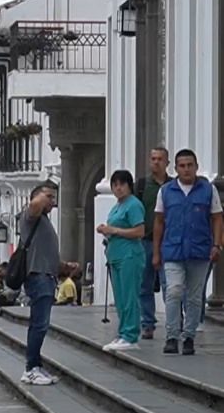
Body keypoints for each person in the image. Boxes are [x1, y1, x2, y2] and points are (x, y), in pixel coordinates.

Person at [152, 149, 223, 356]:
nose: (186, 169)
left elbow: (217, 218)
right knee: (173, 291)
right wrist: (156, 252)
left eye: (190, 165)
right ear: (176, 169)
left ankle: (189, 336)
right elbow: (158, 221)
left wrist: (217, 244)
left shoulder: (208, 190)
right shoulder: (165, 191)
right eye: (182, 166)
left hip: (200, 251)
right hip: (173, 250)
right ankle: (172, 335)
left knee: (194, 298)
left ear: (196, 166)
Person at [96, 170, 145, 350]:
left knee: (129, 295)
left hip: (129, 255)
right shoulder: (117, 206)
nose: (118, 188)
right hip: (116, 256)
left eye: (122, 184)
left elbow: (139, 231)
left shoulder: (133, 205)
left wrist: (114, 231)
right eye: (115, 184)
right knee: (120, 297)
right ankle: (123, 332)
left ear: (129, 186)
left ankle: (131, 335)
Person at [18, 184, 61, 385]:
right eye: (49, 197)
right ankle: (31, 368)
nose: (53, 202)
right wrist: (43, 195)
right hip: (38, 276)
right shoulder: (30, 216)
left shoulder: (43, 221)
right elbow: (35, 204)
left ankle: (36, 365)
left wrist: (64, 266)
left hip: (47, 276)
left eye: (54, 198)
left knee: (41, 324)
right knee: (39, 324)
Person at [137, 148, 171, 340]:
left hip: (169, 242)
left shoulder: (173, 185)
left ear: (167, 162)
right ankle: (147, 323)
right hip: (145, 242)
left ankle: (174, 322)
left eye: (160, 159)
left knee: (170, 285)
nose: (156, 162)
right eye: (153, 159)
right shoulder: (142, 186)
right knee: (145, 285)